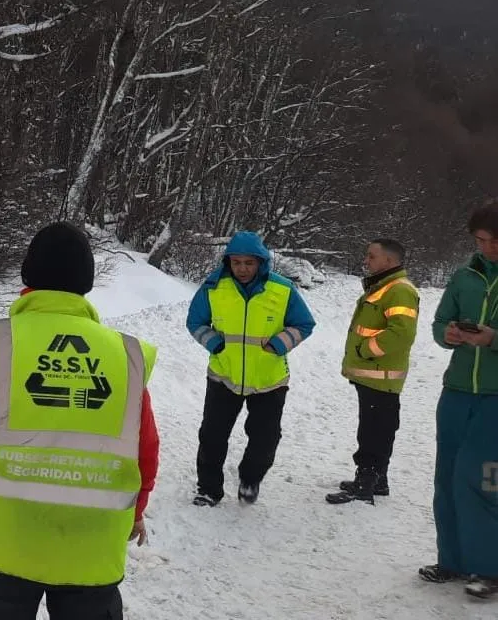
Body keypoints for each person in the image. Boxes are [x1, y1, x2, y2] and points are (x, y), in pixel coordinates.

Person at [0, 221, 160, 620]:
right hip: (94, 548)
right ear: (87, 282)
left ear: (27, 274)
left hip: (5, 543)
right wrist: (136, 511)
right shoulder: (126, 356)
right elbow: (146, 449)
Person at [186, 231, 315, 506]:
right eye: (236, 263)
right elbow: (195, 321)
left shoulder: (282, 289)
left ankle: (250, 478)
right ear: (228, 262)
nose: (242, 269)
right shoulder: (213, 287)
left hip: (269, 380)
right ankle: (208, 489)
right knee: (212, 436)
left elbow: (304, 324)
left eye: (249, 263)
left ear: (261, 262)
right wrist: (214, 343)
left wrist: (280, 343)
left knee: (265, 438)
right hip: (223, 376)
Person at [419, 200, 498, 600]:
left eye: (493, 240)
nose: (486, 248)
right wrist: (448, 334)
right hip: (457, 391)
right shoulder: (464, 276)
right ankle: (451, 560)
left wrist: (493, 339)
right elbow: (438, 322)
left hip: (495, 398)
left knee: (485, 479)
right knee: (448, 476)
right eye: (480, 240)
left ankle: (489, 568)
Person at [325, 239, 419, 505]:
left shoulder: (399, 290)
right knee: (376, 428)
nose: (366, 260)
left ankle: (365, 483)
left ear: (389, 260)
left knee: (374, 431)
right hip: (374, 375)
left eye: (371, 256)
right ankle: (378, 481)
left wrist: (366, 349)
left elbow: (401, 333)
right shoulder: (384, 286)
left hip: (381, 376)